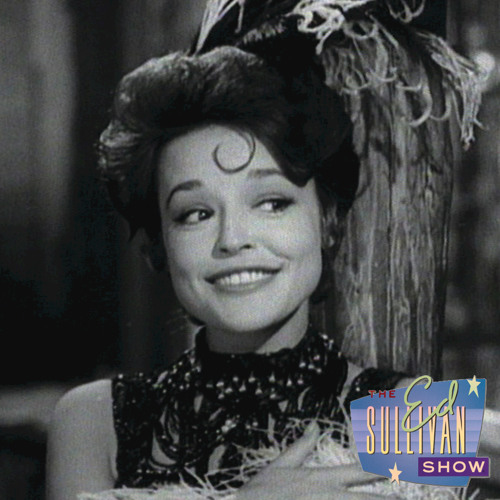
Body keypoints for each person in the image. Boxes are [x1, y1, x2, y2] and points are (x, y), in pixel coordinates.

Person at [46, 1, 500, 499]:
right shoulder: (94, 421)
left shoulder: (415, 414)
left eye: (272, 203)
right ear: (160, 243)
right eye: (195, 213)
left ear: (326, 220)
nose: (232, 239)